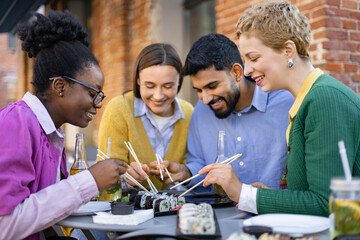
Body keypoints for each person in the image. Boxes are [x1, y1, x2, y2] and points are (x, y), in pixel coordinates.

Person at [200, 0, 360, 216]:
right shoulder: (306, 99)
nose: (246, 71)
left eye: (254, 58)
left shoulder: (324, 99)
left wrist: (242, 193)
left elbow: (326, 203)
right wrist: (271, 197)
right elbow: (307, 193)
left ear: (287, 50)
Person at [0, 10, 128, 240]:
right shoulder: (15, 124)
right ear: (60, 87)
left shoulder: (51, 134)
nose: (98, 104)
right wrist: (89, 181)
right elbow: (5, 224)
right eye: (92, 93)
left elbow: (39, 208)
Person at [150, 33, 294, 193]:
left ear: (237, 73)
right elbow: (200, 164)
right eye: (199, 90)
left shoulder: (286, 104)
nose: (205, 99)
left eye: (212, 86)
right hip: (219, 215)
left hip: (275, 214)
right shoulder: (201, 111)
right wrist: (186, 172)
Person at [97, 43, 193, 191]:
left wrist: (184, 172)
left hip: (176, 209)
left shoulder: (189, 113)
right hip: (129, 211)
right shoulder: (119, 110)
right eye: (149, 86)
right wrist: (127, 180)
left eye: (168, 86)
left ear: (179, 82)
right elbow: (103, 179)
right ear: (138, 81)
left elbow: (193, 169)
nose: (158, 96)